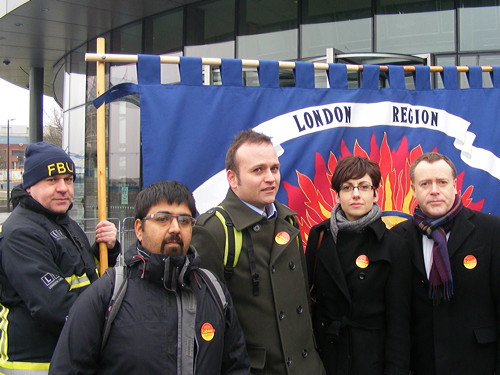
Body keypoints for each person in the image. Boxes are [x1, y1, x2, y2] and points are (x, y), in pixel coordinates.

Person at [49, 180, 250, 374]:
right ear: (139, 229)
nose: (175, 228)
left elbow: (236, 366)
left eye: (184, 220)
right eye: (162, 219)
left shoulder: (214, 292)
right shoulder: (109, 294)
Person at [192, 130, 325, 375]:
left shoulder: (289, 221)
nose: (271, 178)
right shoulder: (214, 230)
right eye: (258, 170)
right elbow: (204, 320)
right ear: (233, 178)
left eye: (274, 168)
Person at [0, 141, 120, 374]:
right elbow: (54, 306)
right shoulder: (21, 233)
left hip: (70, 355)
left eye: (68, 179)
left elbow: (84, 274)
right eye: (52, 180)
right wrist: (114, 316)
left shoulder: (64, 222)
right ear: (30, 187)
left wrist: (106, 250)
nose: (63, 188)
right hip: (37, 363)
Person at [392, 152, 500, 375]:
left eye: (442, 182)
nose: (434, 190)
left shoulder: (491, 231)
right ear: (414, 189)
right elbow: (398, 317)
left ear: (455, 185)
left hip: (479, 362)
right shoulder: (398, 238)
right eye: (425, 183)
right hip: (423, 365)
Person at [305, 156, 411, 375]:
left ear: (375, 193)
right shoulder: (320, 235)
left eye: (363, 186)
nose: (355, 194)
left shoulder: (394, 245)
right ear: (337, 195)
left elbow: (399, 321)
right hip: (326, 355)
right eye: (347, 187)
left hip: (371, 357)